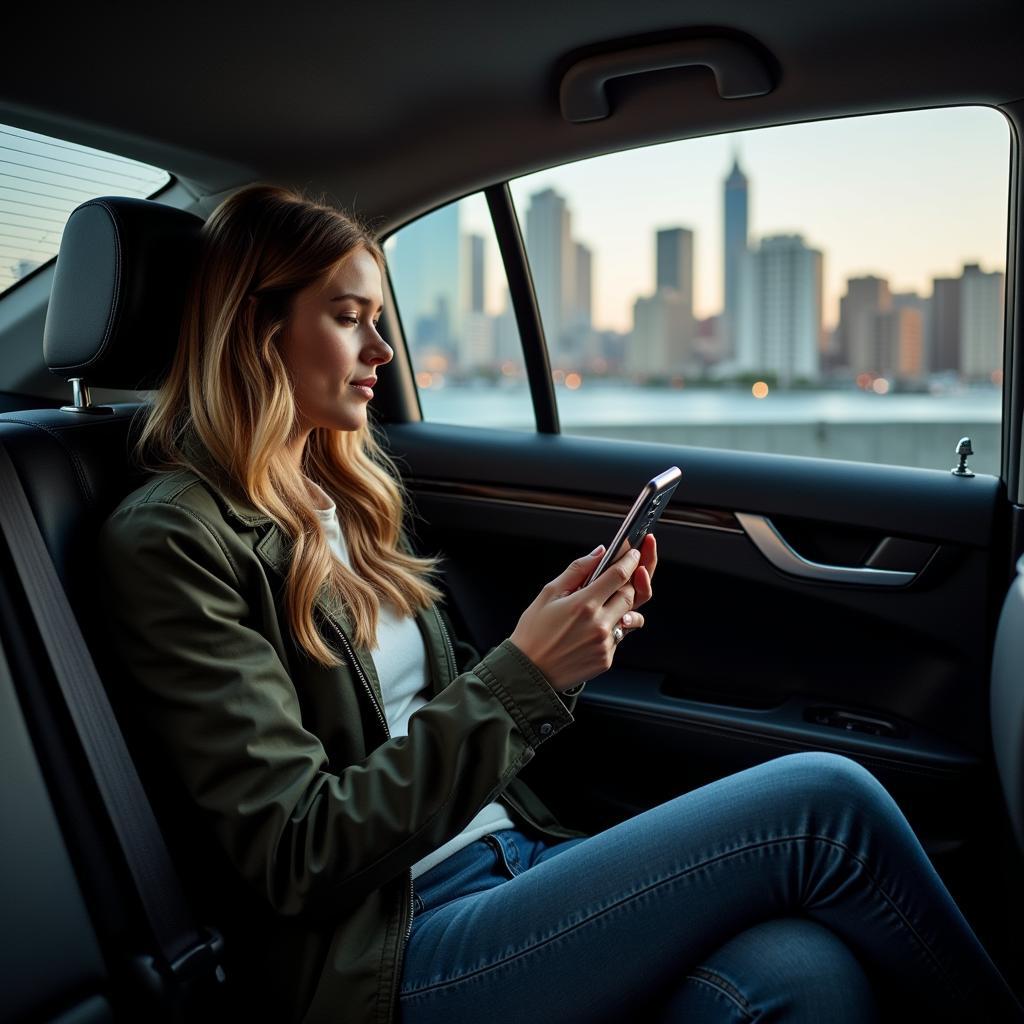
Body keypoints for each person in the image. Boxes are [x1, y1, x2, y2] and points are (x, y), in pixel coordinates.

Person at [97, 184, 1023, 1024]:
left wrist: (557, 646)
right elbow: (297, 851)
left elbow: (438, 716)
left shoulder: (346, 500)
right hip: (392, 949)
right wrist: (525, 675)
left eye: (381, 320)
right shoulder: (174, 540)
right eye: (350, 319)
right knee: (826, 802)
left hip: (513, 860)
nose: (382, 350)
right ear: (258, 330)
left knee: (802, 969)